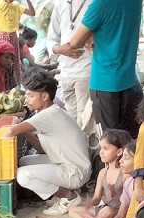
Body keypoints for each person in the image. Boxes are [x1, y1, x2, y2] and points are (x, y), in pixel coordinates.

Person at [3, 69, 92, 213]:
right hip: (71, 166)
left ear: (44, 96)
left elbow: (11, 132)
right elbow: (41, 149)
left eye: (30, 96)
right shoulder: (50, 112)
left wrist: (4, 136)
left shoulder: (48, 115)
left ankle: (68, 196)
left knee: (23, 175)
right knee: (25, 161)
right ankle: (60, 193)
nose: (27, 100)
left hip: (74, 172)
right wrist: (24, 130)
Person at [52, 0, 144, 134]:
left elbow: (74, 42)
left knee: (109, 139)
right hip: (129, 79)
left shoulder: (100, 4)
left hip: (104, 82)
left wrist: (87, 38)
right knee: (128, 137)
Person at [69, 129, 133, 218]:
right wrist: (89, 204)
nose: (101, 152)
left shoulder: (125, 174)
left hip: (118, 212)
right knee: (73, 210)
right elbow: (97, 197)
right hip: (104, 211)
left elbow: (125, 209)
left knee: (107, 211)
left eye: (106, 149)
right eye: (101, 148)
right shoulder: (103, 172)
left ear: (119, 151)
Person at [47, 0, 94, 136]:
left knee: (86, 124)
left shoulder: (94, 4)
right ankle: (77, 155)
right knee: (72, 124)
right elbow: (51, 39)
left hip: (86, 71)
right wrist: (60, 50)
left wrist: (89, 41)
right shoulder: (61, 5)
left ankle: (87, 156)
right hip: (66, 72)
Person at [0, 0, 34, 85]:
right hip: (1, 38)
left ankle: (15, 87)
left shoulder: (16, 5)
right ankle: (1, 86)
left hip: (13, 38)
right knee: (0, 64)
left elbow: (32, 13)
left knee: (14, 64)